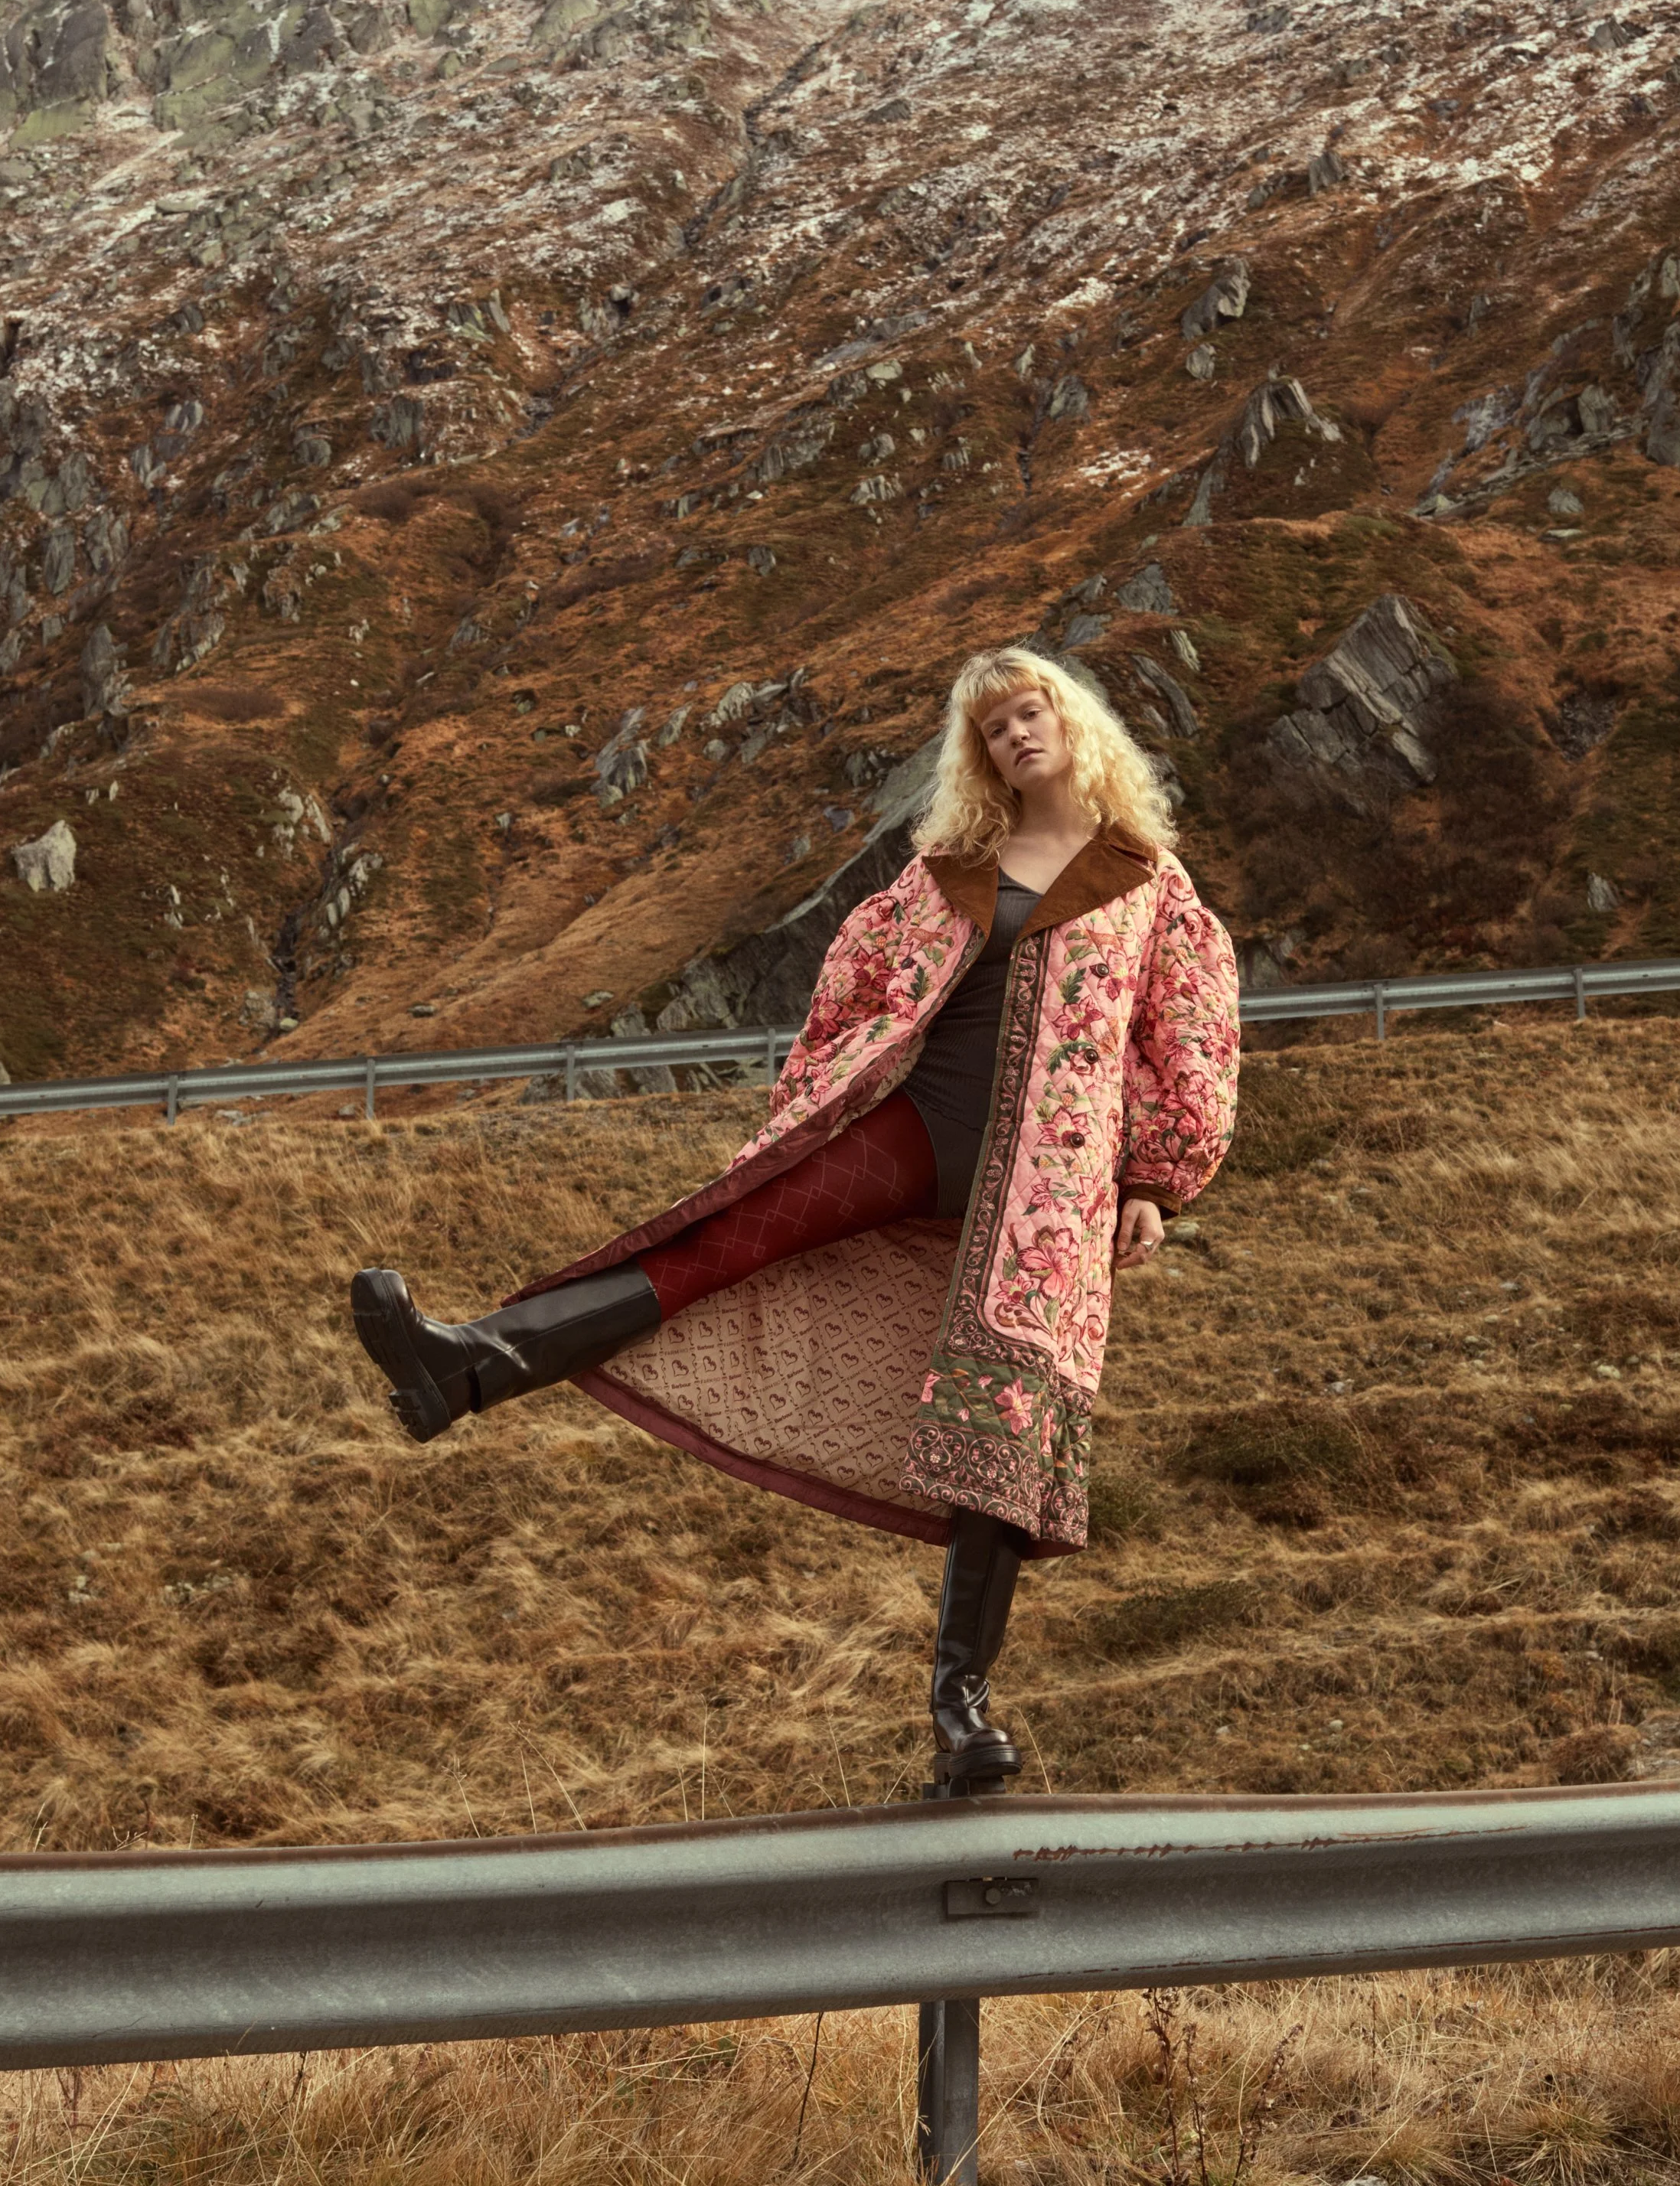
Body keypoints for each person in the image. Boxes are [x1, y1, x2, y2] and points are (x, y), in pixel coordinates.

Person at [352, 646, 1240, 1792]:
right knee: (730, 1239)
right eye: (995, 728)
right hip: (914, 1125)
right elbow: (851, 985)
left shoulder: (1150, 882)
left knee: (1003, 1432)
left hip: (1051, 1194)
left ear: (1073, 723)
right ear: (981, 757)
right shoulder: (945, 872)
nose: (1020, 735)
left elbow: (1195, 1043)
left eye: (1034, 712)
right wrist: (819, 1093)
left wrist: (1155, 1182)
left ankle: (961, 1712)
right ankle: (468, 1366)